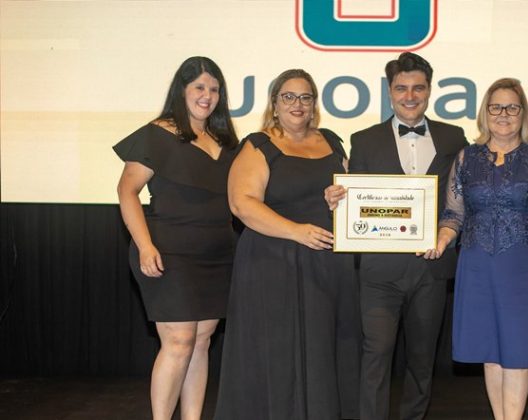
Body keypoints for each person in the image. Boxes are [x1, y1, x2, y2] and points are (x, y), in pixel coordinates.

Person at [424, 77, 528, 420]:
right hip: (477, 268)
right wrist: (442, 239)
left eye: (512, 108)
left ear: (523, 114)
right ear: (485, 113)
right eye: (496, 107)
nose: (503, 114)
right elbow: (453, 214)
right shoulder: (467, 157)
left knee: (518, 354)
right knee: (490, 353)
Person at [214, 69, 361, 420]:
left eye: (305, 97)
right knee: (277, 352)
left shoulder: (332, 142)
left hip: (326, 265)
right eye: (289, 97)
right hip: (273, 264)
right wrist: (296, 231)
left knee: (323, 349)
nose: (298, 104)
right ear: (275, 104)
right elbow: (241, 204)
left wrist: (338, 198)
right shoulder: (258, 145)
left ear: (314, 104)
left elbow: (352, 195)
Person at [114, 56, 239, 420]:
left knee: (200, 342)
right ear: (181, 90)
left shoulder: (226, 140)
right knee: (180, 341)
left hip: (218, 255)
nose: (207, 96)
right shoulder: (157, 134)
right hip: (168, 253)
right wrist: (145, 245)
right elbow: (126, 191)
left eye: (214, 89)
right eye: (199, 87)